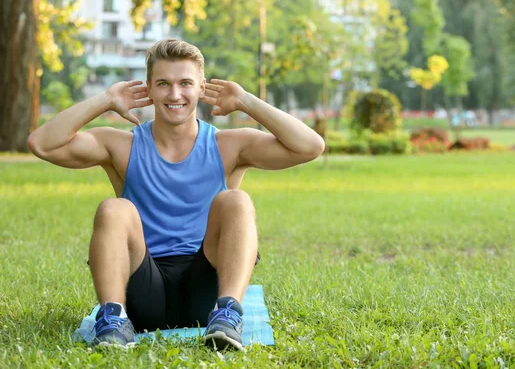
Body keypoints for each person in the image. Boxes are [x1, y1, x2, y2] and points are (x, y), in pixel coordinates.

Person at [27, 39, 325, 350]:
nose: (174, 94)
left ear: (201, 88)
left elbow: (310, 146)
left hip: (207, 293)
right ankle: (113, 319)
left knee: (236, 200)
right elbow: (42, 144)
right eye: (163, 84)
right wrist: (105, 99)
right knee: (113, 208)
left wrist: (246, 101)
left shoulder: (228, 145)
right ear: (149, 89)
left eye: (185, 83)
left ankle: (228, 314)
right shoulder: (121, 146)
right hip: (142, 292)